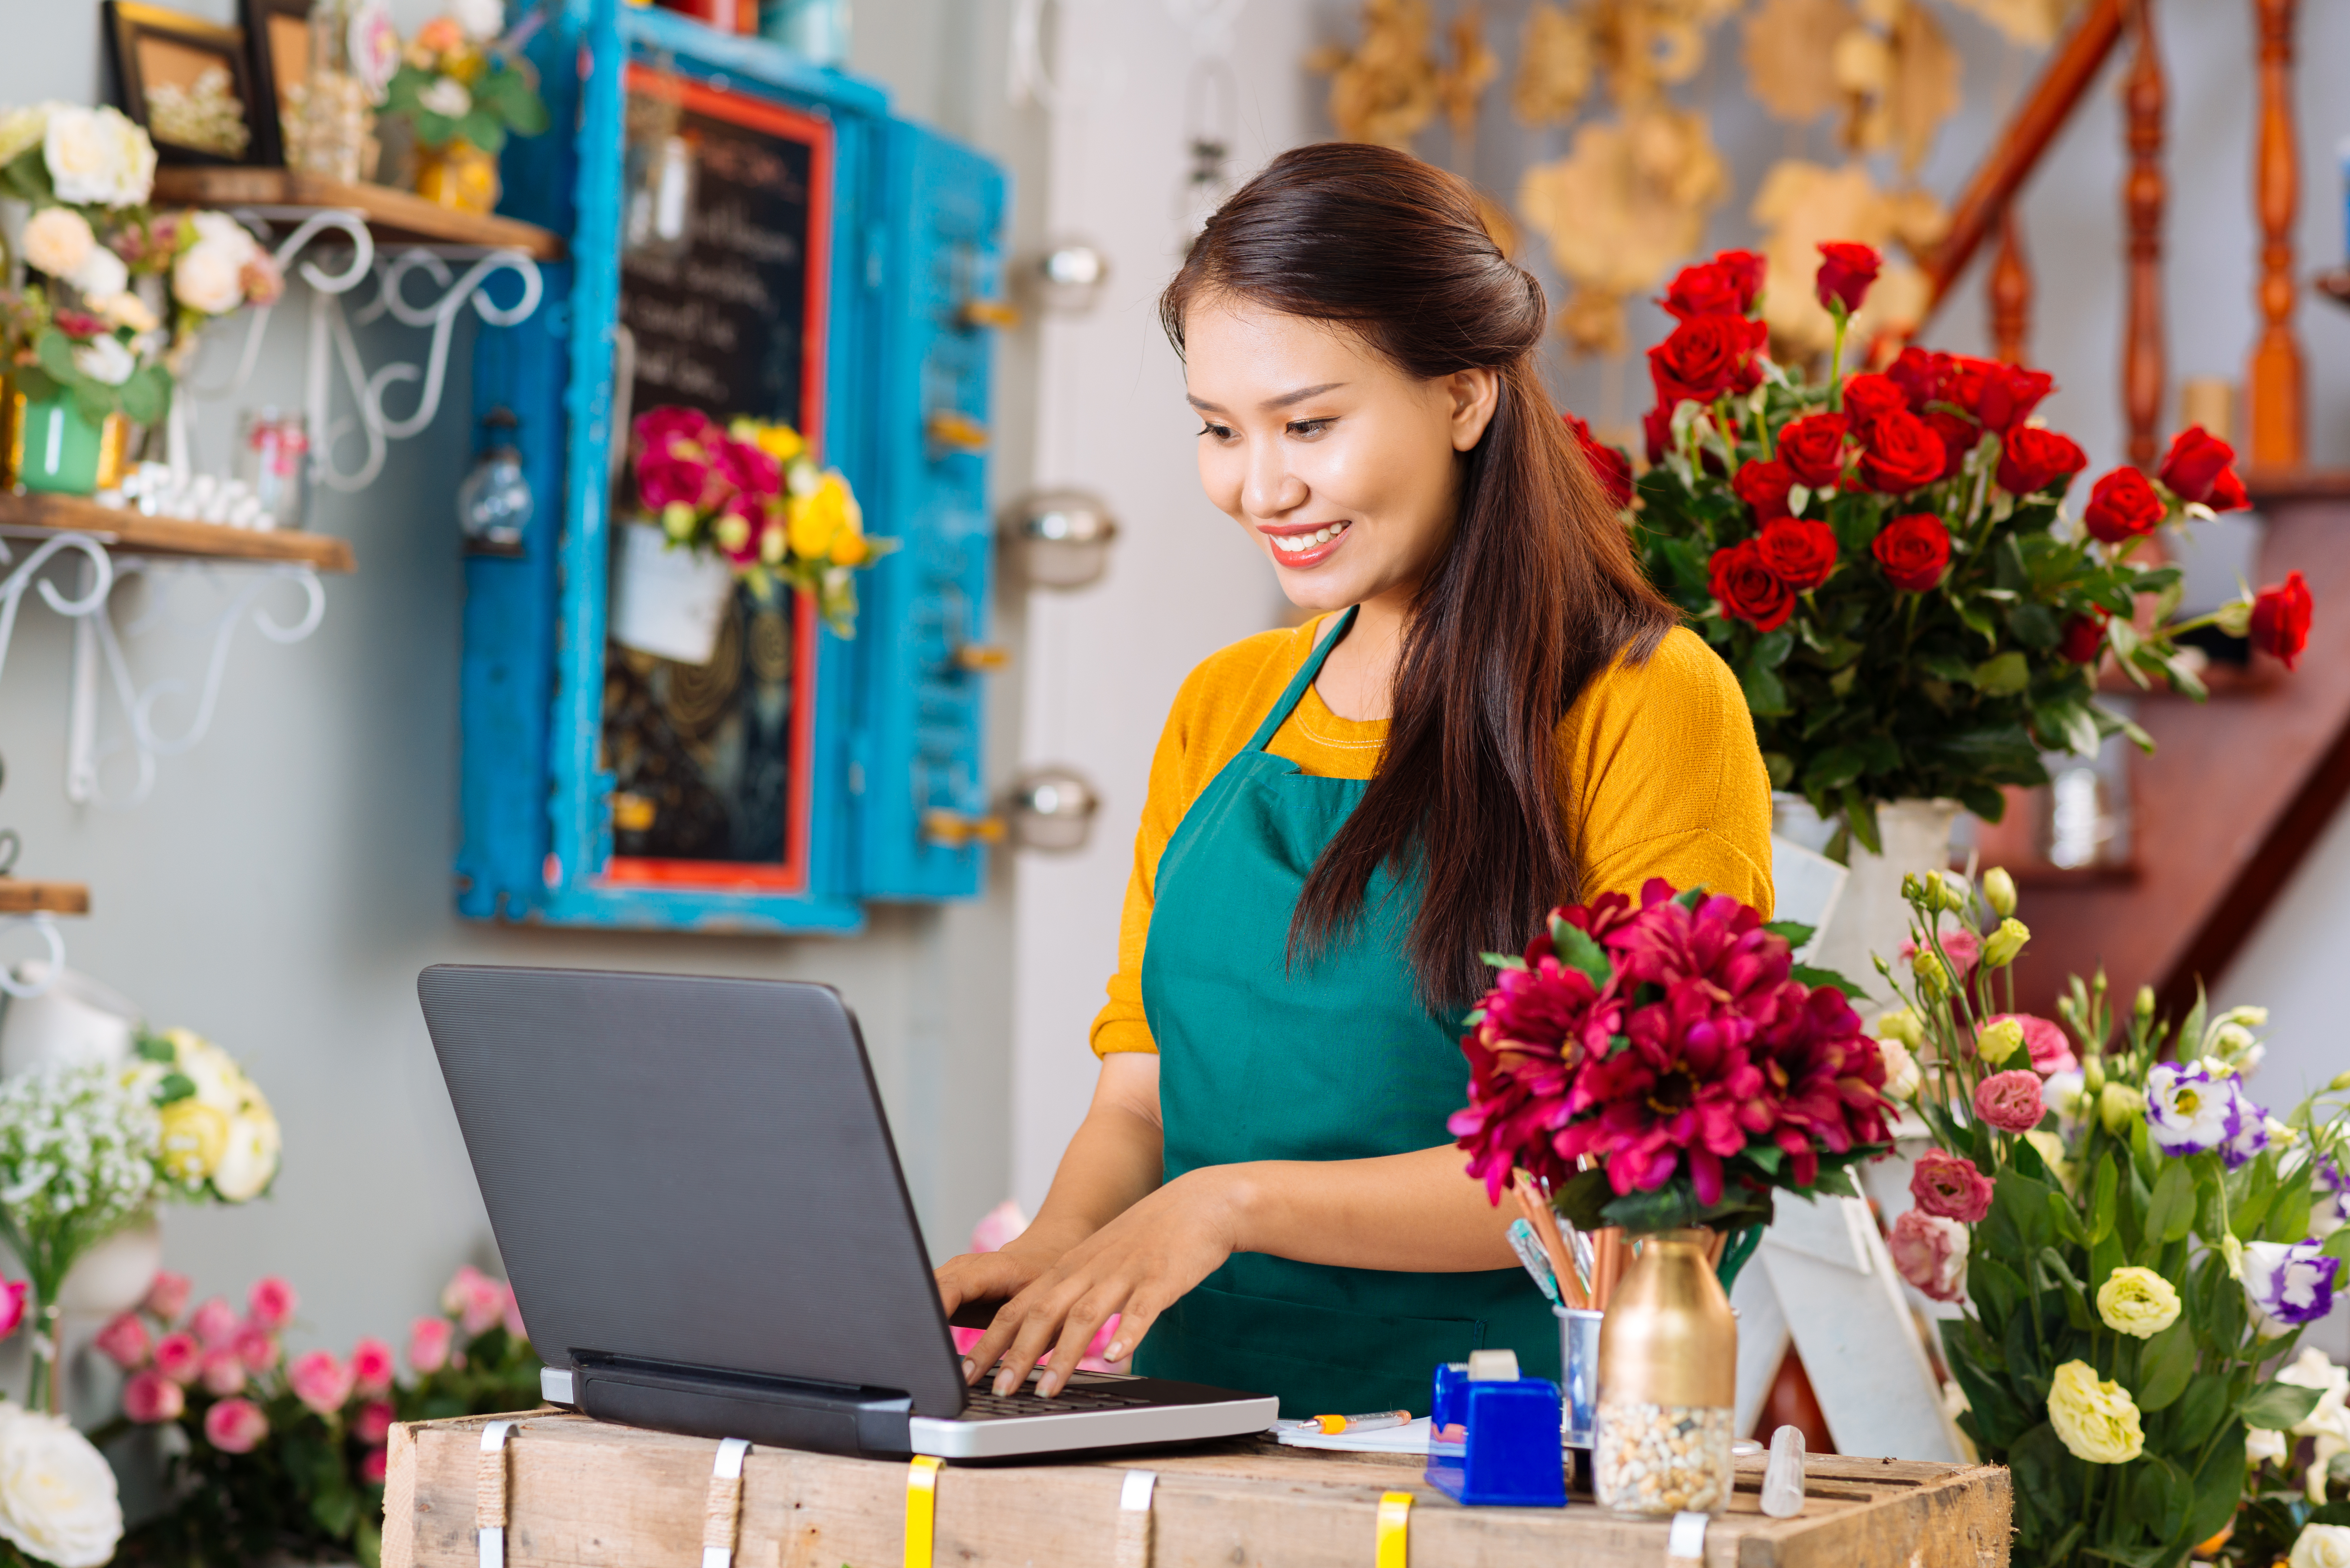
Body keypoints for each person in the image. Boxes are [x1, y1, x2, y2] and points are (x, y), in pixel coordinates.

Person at [934, 142, 1773, 1418]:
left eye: (1309, 424)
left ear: (1464, 399)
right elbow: (1142, 1088)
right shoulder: (1223, 709)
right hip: (1198, 1430)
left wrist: (1230, 1202)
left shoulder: (1647, 702)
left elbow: (1631, 1173)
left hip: (1501, 1454)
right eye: (1219, 430)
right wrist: (1060, 1244)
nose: (1261, 486)